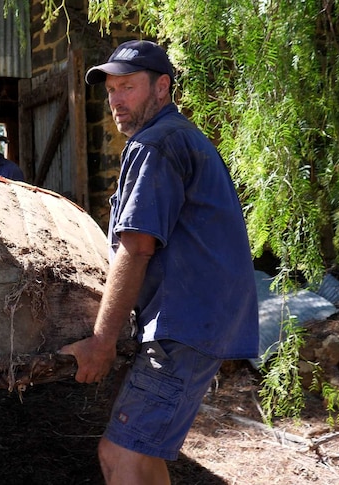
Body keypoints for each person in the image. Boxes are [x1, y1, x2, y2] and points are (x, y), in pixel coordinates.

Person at [59, 40, 259, 485]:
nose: (115, 101)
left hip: (183, 326)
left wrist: (102, 341)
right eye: (110, 90)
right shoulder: (181, 136)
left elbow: (137, 247)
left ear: (162, 87)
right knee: (143, 458)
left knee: (120, 456)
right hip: (198, 322)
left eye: (126, 87)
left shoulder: (156, 144)